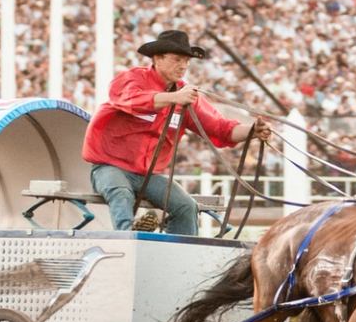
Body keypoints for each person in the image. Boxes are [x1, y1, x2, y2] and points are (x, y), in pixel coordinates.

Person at [82, 29, 270, 236]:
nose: (183, 66)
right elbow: (129, 100)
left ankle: (180, 251)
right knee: (120, 192)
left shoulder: (186, 97)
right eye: (177, 59)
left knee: (186, 206)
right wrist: (173, 98)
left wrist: (252, 131)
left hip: (148, 175)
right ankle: (129, 236)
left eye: (187, 61)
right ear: (157, 59)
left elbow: (220, 128)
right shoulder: (133, 79)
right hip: (109, 166)